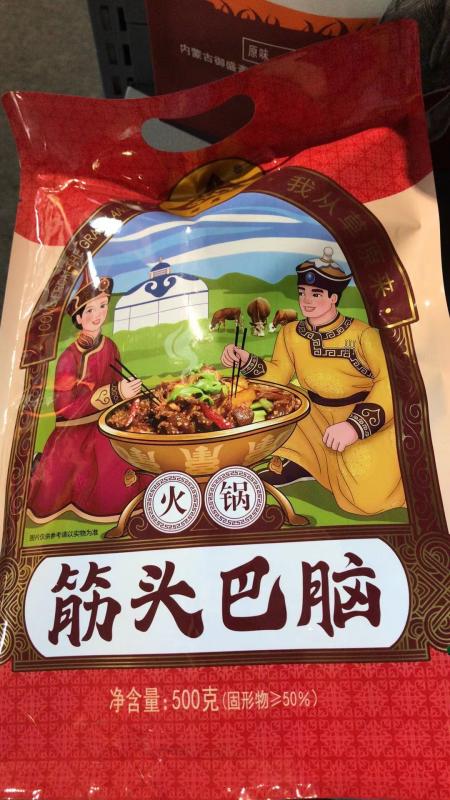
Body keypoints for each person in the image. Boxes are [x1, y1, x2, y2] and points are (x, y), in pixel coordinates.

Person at [222, 248, 405, 516]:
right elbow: (279, 375)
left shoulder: (363, 334)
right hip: (314, 415)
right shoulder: (290, 333)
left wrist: (355, 426)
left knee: (365, 501)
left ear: (333, 298)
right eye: (302, 293)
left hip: (359, 417)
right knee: (273, 399)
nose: (306, 301)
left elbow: (390, 380)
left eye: (316, 294)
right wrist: (247, 360)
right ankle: (300, 463)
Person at [27, 271, 151, 522]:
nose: (98, 315)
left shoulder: (110, 346)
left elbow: (117, 383)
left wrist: (129, 396)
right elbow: (64, 408)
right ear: (78, 318)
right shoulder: (69, 357)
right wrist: (115, 393)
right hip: (77, 433)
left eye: (103, 306)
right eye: (90, 310)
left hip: (108, 422)